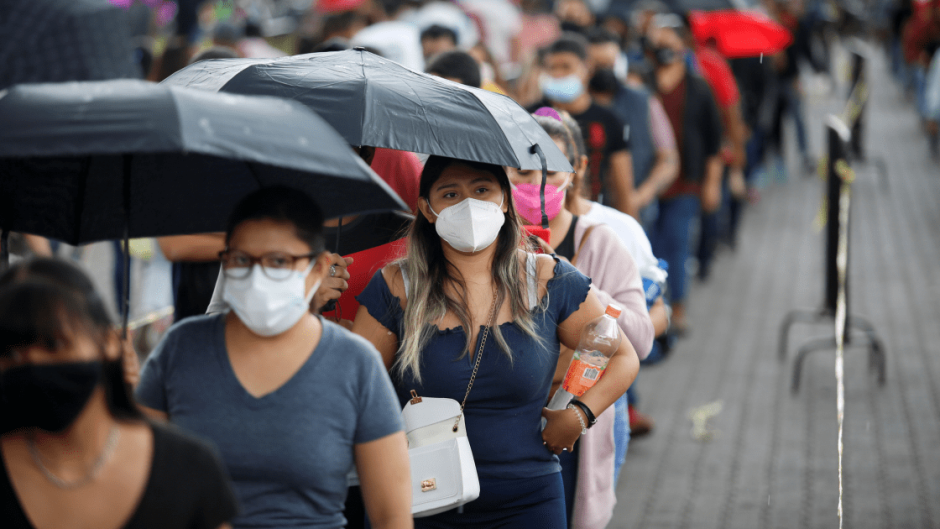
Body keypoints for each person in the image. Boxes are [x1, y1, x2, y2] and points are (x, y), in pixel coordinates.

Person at [353, 155, 640, 527]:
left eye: (482, 190)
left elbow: (623, 356)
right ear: (427, 208)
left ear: (504, 199)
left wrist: (580, 415)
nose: (468, 205)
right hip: (421, 497)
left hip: (530, 500)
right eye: (450, 193)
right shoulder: (397, 286)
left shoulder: (550, 279)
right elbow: (355, 389)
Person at [136, 187, 412, 529]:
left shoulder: (355, 363)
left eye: (278, 261)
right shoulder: (181, 348)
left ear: (318, 268)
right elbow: (139, 477)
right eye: (242, 260)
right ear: (225, 262)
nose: (257, 274)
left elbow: (392, 516)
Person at [0, 258, 238, 529]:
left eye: (54, 344)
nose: (33, 364)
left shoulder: (187, 468)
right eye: (10, 353)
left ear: (109, 342)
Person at [508, 110, 653, 528]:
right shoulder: (488, 246)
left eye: (552, 172)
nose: (538, 184)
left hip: (577, 424)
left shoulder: (600, 240)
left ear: (573, 175)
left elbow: (640, 341)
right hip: (507, 422)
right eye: (522, 172)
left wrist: (573, 280)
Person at [644, 17, 723, 333]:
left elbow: (714, 141)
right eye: (658, 45)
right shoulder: (642, 83)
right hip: (646, 182)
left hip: (686, 181)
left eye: (670, 45)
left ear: (682, 47)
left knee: (676, 244)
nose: (664, 51)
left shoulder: (699, 86)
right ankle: (650, 306)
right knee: (648, 246)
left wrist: (712, 182)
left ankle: (677, 308)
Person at [531, 34, 636, 217]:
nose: (558, 73)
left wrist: (630, 225)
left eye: (566, 67)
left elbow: (622, 188)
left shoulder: (608, 120)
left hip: (593, 215)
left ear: (587, 68)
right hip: (540, 217)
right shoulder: (529, 117)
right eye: (552, 67)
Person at [586, 28, 680, 228]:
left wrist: (640, 196)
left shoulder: (643, 101)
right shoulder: (577, 106)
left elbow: (668, 158)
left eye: (610, 64)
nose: (605, 70)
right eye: (598, 65)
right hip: (587, 215)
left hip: (635, 215)